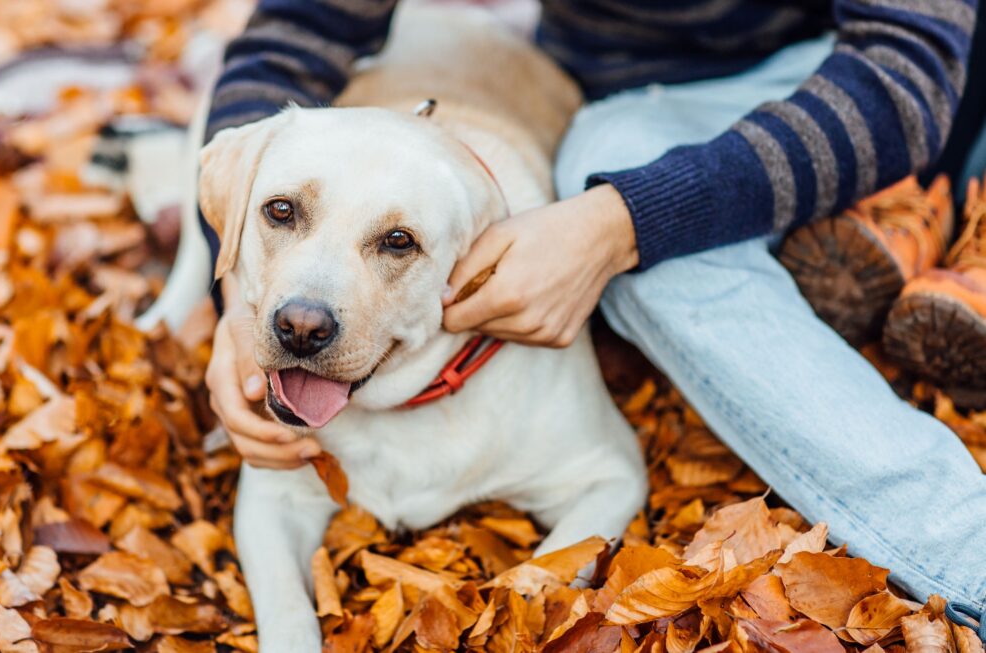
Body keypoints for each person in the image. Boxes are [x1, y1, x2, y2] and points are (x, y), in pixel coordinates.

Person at [202, 0, 986, 628]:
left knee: (613, 166)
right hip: (633, 96)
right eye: (279, 214)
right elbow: (294, 34)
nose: (307, 321)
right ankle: (905, 218)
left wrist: (624, 222)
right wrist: (232, 296)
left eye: (397, 242)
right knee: (609, 155)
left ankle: (969, 552)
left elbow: (905, 68)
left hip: (916, 80)